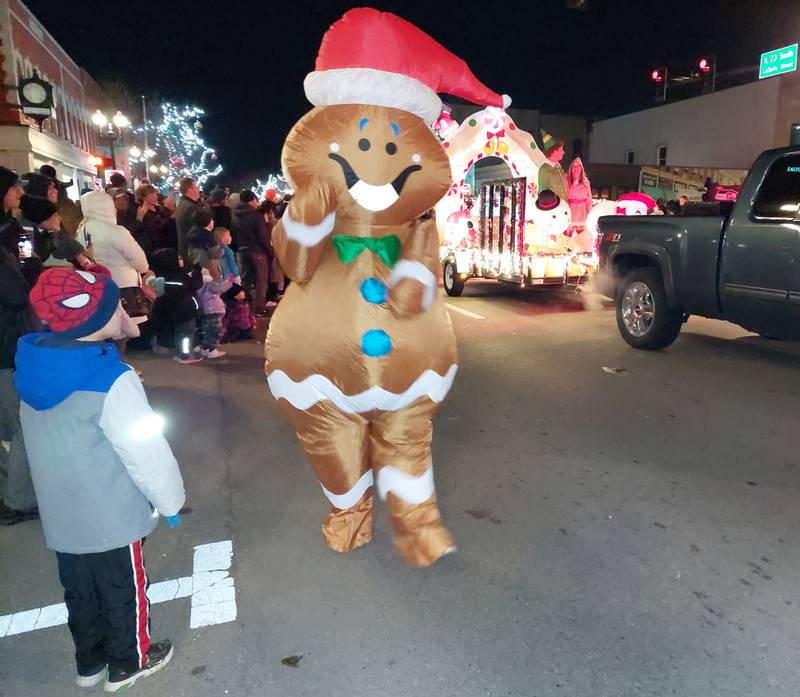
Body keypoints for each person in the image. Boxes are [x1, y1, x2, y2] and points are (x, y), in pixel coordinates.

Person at [15, 267, 184, 692]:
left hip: (61, 512)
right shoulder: (114, 380)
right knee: (122, 586)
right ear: (97, 321)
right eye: (117, 305)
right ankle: (131, 661)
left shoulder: (32, 370)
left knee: (80, 590)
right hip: (111, 513)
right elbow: (145, 451)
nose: (124, 309)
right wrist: (169, 502)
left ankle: (89, 663)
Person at [0, 166, 39, 525]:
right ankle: (18, 498)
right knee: (22, 421)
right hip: (5, 346)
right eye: (13, 189)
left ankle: (13, 491)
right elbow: (15, 295)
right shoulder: (5, 242)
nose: (18, 195)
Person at [77, 191, 151, 355]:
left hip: (95, 285)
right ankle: (118, 366)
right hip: (123, 285)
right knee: (120, 330)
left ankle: (107, 365)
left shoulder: (81, 230)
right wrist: (143, 270)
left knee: (103, 329)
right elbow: (140, 260)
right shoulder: (115, 231)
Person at [149, 248, 203, 364]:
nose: (181, 260)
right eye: (178, 258)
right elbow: (194, 284)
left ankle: (180, 353)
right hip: (186, 310)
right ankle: (185, 355)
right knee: (187, 335)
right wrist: (197, 272)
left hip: (174, 312)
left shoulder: (162, 276)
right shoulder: (179, 274)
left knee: (180, 334)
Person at [233, 190, 271, 315]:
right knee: (261, 280)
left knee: (246, 278)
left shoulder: (235, 215)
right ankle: (260, 307)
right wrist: (269, 251)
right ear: (252, 200)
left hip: (242, 249)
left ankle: (244, 305)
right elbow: (263, 235)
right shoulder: (256, 215)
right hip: (257, 251)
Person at [215, 227, 254, 342]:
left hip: (223, 281)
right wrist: (236, 280)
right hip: (229, 281)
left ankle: (233, 326)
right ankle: (242, 326)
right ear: (223, 238)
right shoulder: (227, 251)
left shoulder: (216, 250)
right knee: (241, 300)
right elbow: (232, 267)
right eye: (229, 235)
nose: (231, 237)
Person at [195, 266, 231, 359]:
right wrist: (229, 281)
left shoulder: (197, 286)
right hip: (214, 310)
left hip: (204, 311)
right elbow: (220, 288)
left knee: (207, 331)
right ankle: (211, 350)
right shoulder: (208, 284)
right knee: (216, 331)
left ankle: (204, 347)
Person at [133, 184, 173, 256]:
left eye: (155, 193)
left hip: (168, 245)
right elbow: (153, 228)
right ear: (143, 197)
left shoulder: (159, 208)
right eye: (151, 194)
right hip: (156, 250)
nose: (155, 196)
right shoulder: (142, 212)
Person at [174, 177, 201, 261]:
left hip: (187, 250)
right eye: (196, 187)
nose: (198, 190)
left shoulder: (183, 203)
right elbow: (198, 230)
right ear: (190, 190)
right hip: (193, 252)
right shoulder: (190, 207)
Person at [565, 157, 593, 236]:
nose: (576, 168)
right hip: (570, 211)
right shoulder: (566, 181)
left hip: (582, 212)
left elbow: (589, 199)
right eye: (574, 166)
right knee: (568, 235)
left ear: (581, 168)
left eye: (578, 166)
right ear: (571, 168)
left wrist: (589, 213)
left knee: (581, 235)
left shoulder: (586, 182)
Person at [537, 129, 568, 201]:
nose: (563, 152)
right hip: (554, 208)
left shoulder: (558, 166)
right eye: (561, 150)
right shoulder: (544, 170)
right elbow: (542, 194)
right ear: (553, 152)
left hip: (563, 206)